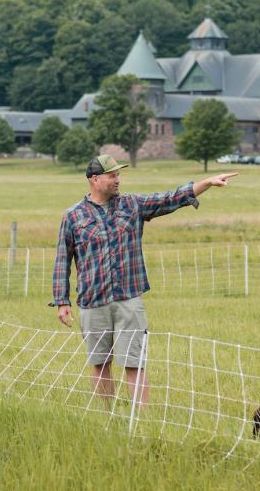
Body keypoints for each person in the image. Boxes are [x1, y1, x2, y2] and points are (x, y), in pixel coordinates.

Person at [51, 155, 237, 405]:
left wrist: (206, 183)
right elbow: (63, 260)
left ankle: (141, 419)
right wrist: (62, 301)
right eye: (112, 175)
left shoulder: (132, 204)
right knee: (100, 363)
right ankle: (107, 415)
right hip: (93, 300)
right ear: (95, 179)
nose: (118, 180)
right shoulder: (73, 216)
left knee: (134, 363)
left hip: (129, 298)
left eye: (119, 175)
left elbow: (171, 198)